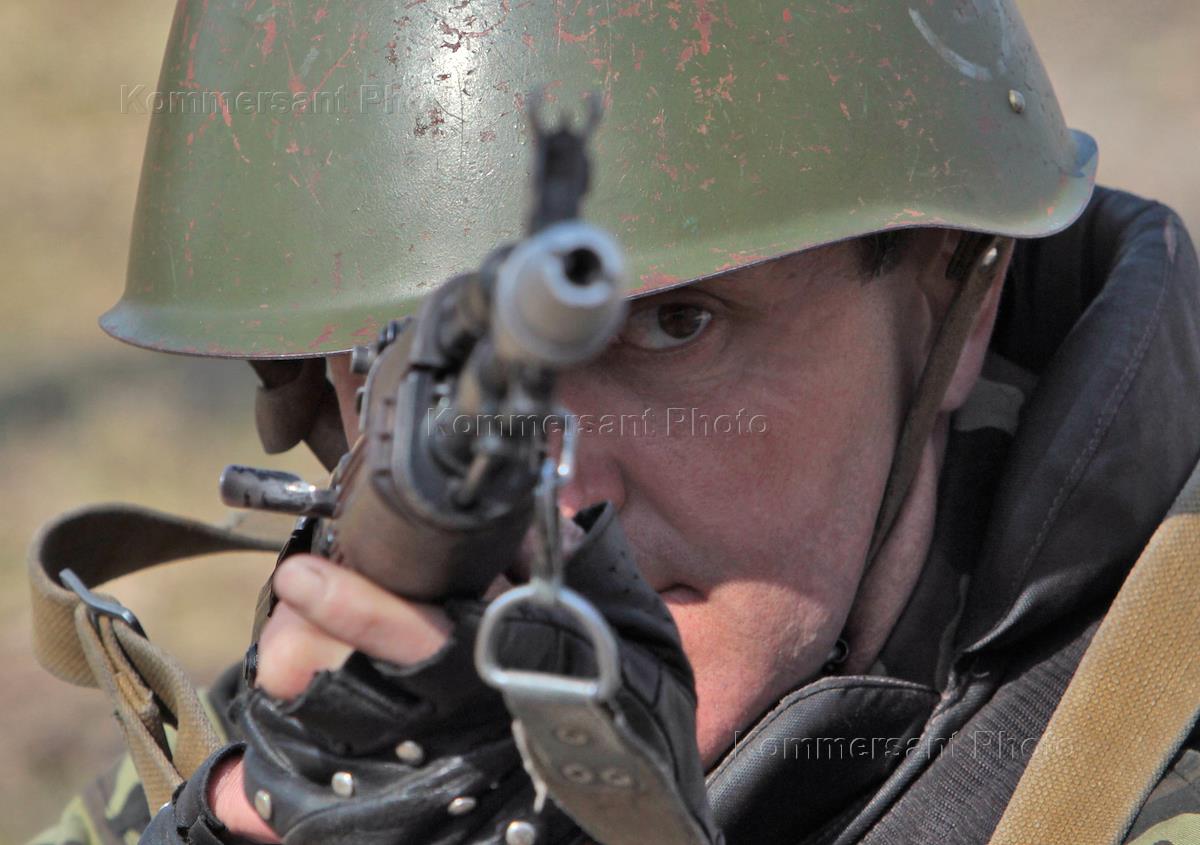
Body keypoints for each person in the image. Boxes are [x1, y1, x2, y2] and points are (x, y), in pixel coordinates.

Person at [28, 2, 1200, 844]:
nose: (555, 495)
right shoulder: (321, 748)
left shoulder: (1152, 763)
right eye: (424, 361)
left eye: (677, 324)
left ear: (957, 297)